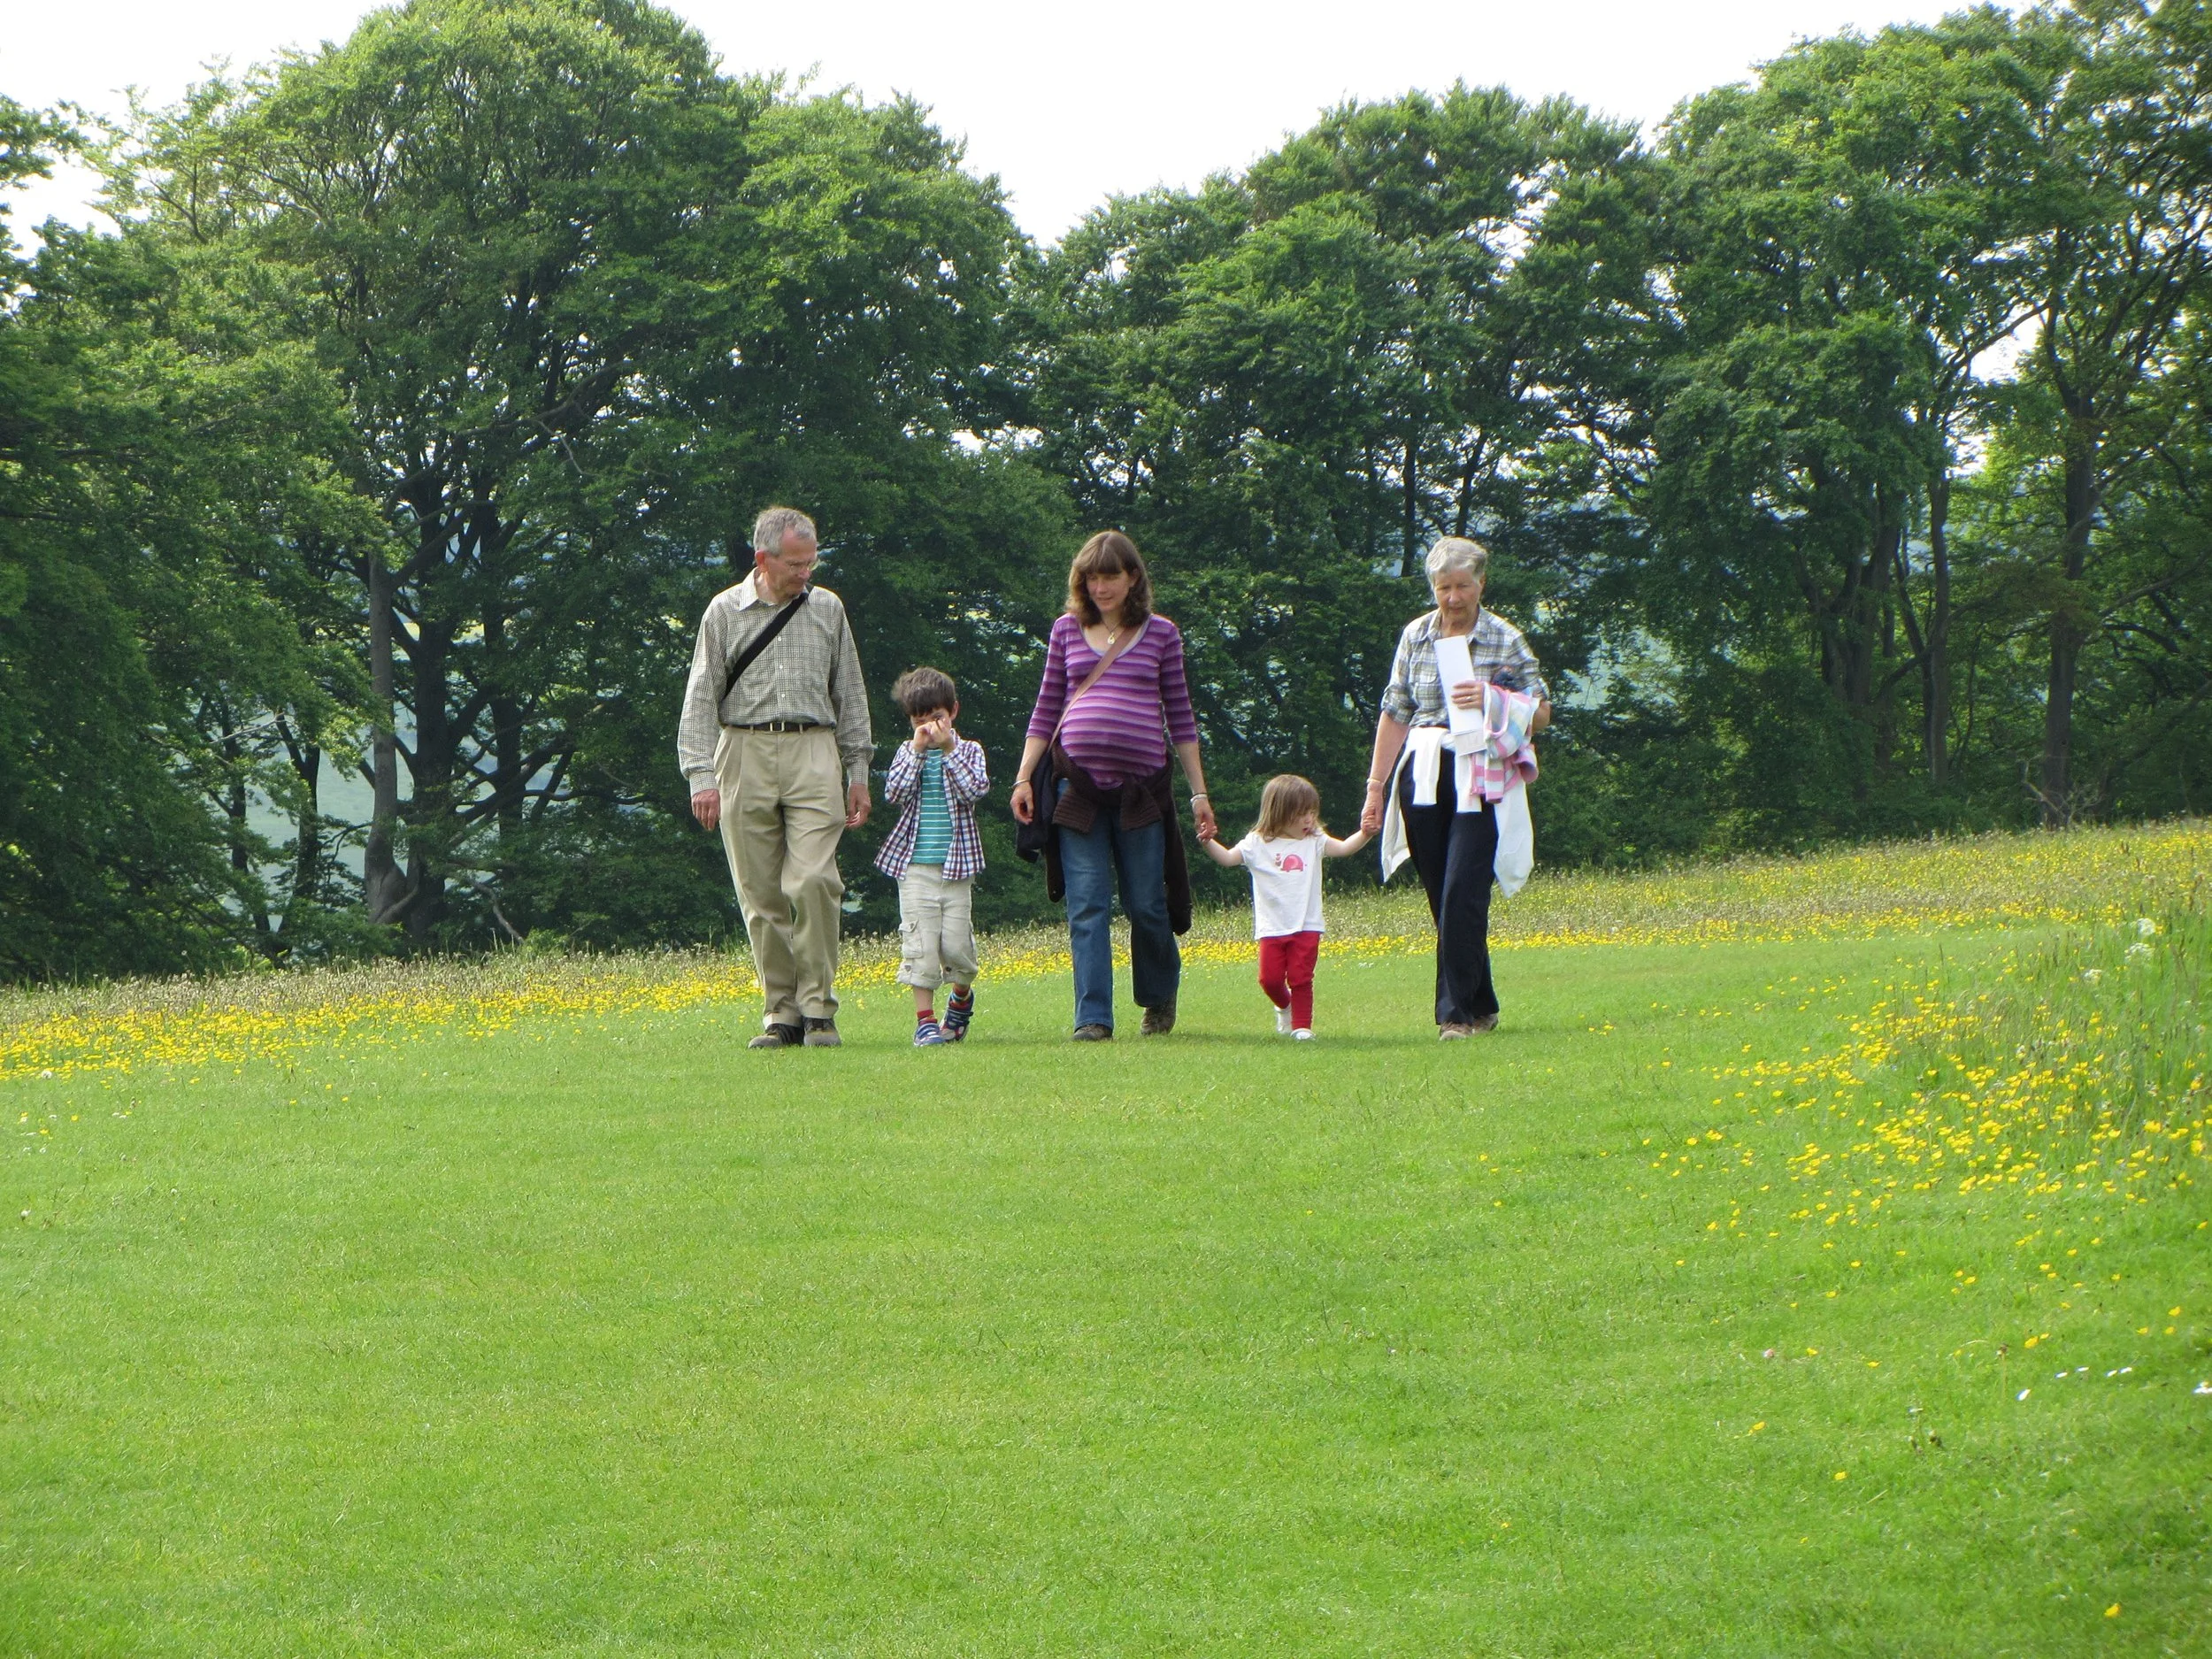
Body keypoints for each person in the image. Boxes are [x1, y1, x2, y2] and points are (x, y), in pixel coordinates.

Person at [677, 506, 872, 1049]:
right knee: (759, 894)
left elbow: (850, 692)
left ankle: (819, 1009)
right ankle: (780, 1014)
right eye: (795, 564)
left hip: (815, 749)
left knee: (813, 881)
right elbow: (700, 697)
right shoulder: (723, 612)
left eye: (811, 562)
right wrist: (700, 776)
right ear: (763, 559)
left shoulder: (828, 609)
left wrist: (858, 770)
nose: (805, 573)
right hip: (742, 750)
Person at [1010, 531, 1217, 1040]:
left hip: (1141, 792)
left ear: (1132, 579)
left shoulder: (1162, 633)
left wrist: (1199, 794)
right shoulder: (1064, 630)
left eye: (1111, 576)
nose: (1101, 587)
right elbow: (1045, 710)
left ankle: (1158, 996)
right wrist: (1023, 779)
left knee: (1146, 902)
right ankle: (1093, 1018)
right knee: (1087, 902)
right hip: (1075, 788)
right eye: (1092, 577)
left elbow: (1182, 718)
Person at [1358, 537, 1550, 1039]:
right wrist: (1376, 787)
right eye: (1444, 588)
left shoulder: (1504, 638)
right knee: (1441, 894)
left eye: (1463, 586)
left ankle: (1455, 1016)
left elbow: (1542, 712)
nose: (1453, 598)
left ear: (1481, 584)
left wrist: (1491, 698)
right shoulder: (1415, 635)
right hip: (1422, 771)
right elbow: (1395, 712)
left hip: (1481, 774)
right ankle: (1481, 1000)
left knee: (1464, 890)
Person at [1200, 774, 1372, 1040]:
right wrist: (1208, 841)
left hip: (1307, 925)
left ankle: (1302, 1027)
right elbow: (1227, 859)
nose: (1309, 820)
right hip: (1272, 927)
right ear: (1279, 812)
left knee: (1301, 978)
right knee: (1269, 980)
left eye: (1313, 813)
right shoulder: (1256, 843)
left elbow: (1344, 848)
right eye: (1302, 814)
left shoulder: (1315, 841)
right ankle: (1285, 1006)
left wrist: (1365, 833)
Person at [875, 666, 987, 1047]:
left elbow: (973, 791)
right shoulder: (909, 753)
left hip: (957, 869)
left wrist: (949, 750)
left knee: (957, 947)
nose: (929, 728)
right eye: (920, 722)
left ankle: (960, 998)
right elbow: (895, 793)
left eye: (936, 719)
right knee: (920, 946)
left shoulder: (969, 750)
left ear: (953, 711)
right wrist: (919, 751)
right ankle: (924, 1021)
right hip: (915, 868)